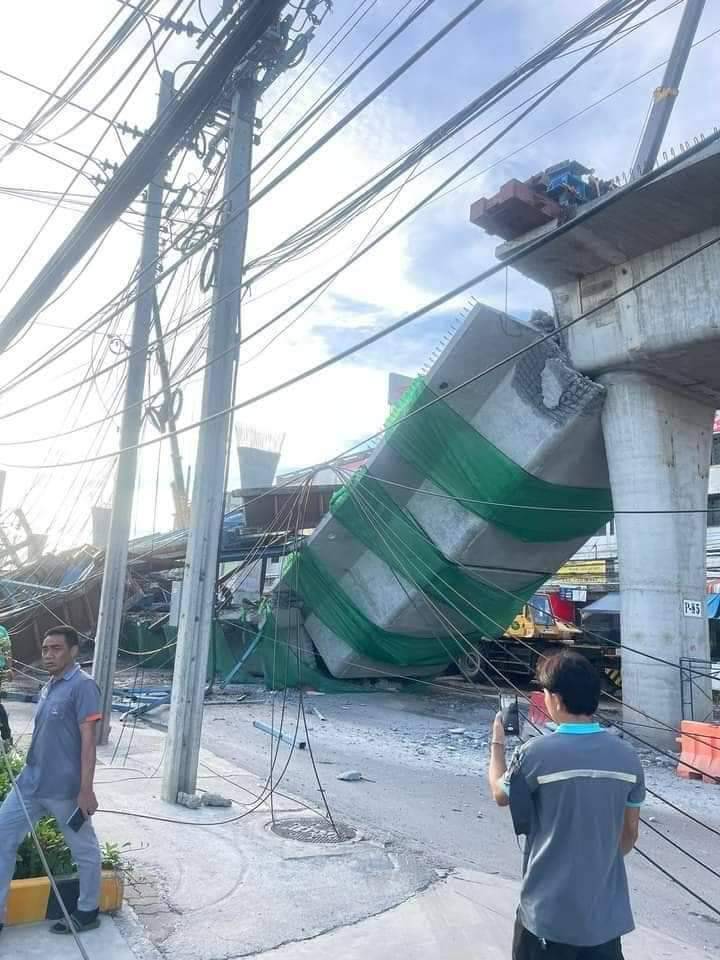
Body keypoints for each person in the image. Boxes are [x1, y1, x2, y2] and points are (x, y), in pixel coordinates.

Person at [488, 651, 645, 960]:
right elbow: (629, 835)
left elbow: (500, 794)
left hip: (547, 918)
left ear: (556, 699)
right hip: (604, 922)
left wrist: (497, 744)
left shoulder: (534, 754)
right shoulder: (628, 757)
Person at [0, 626, 103, 937]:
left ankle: (88, 910)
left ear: (73, 651)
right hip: (30, 784)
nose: (48, 655)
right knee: (2, 836)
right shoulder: (50, 686)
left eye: (56, 648)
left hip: (65, 790)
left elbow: (89, 742)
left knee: (83, 849)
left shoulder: (83, 687)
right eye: (45, 649)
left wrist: (86, 790)